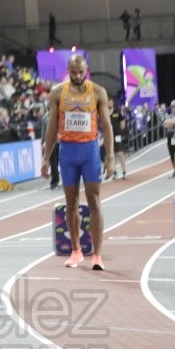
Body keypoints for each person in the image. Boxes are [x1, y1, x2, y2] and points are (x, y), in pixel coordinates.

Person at [41, 54, 114, 270]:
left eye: (81, 72)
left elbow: (107, 126)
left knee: (94, 200)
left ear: (87, 70)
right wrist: (46, 158)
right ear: (68, 71)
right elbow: (52, 127)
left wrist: (110, 156)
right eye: (74, 73)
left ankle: (97, 255)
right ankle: (75, 251)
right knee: (71, 202)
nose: (78, 76)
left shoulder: (98, 92)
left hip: (90, 150)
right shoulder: (57, 92)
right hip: (68, 152)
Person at [109, 99, 127, 179]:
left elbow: (122, 122)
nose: (110, 103)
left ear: (113, 103)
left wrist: (120, 130)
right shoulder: (104, 113)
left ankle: (124, 171)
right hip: (109, 137)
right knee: (111, 155)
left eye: (111, 102)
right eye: (108, 102)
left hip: (117, 136)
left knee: (120, 153)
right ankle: (115, 173)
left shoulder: (117, 112)